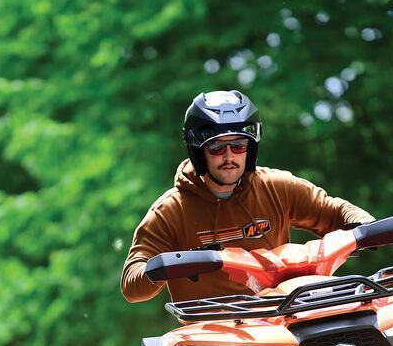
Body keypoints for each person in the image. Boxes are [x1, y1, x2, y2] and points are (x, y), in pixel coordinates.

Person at [121, 90, 374, 303]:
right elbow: (131, 283)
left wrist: (365, 226)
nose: (229, 156)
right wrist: (165, 267)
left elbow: (333, 210)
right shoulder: (170, 211)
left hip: (283, 313)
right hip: (214, 333)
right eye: (217, 147)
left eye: (239, 145)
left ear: (250, 149)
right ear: (198, 151)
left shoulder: (276, 186)